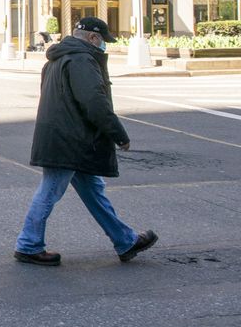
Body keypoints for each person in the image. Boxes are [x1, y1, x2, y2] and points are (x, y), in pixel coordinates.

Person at [14, 17, 157, 266]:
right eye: (103, 40)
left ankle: (125, 240)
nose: (104, 45)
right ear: (93, 37)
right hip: (70, 139)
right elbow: (94, 102)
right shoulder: (82, 59)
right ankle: (28, 245)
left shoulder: (59, 57)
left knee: (93, 190)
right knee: (50, 189)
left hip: (66, 137)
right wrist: (118, 134)